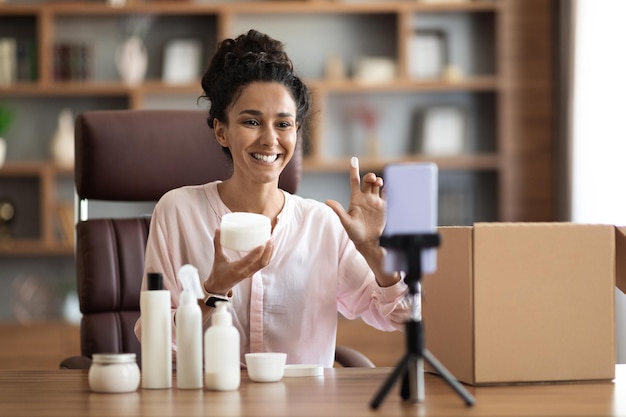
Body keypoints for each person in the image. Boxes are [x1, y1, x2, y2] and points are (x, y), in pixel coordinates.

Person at [134, 29, 410, 367]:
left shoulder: (322, 225)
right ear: (222, 131)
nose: (269, 139)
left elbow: (402, 318)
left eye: (283, 124)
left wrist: (371, 250)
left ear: (296, 133)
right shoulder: (178, 212)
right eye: (251, 121)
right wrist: (213, 291)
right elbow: (156, 337)